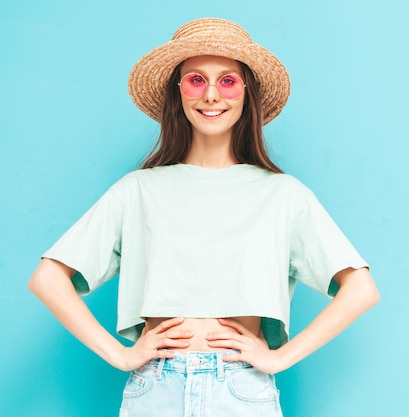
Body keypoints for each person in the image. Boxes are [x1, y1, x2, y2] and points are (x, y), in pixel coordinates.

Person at [28, 17, 379, 417]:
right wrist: (120, 354)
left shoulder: (283, 194)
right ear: (178, 92)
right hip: (154, 389)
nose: (211, 95)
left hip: (242, 389)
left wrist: (281, 358)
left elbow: (361, 289)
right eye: (196, 79)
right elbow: (48, 278)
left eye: (227, 81)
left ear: (247, 93)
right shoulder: (138, 190)